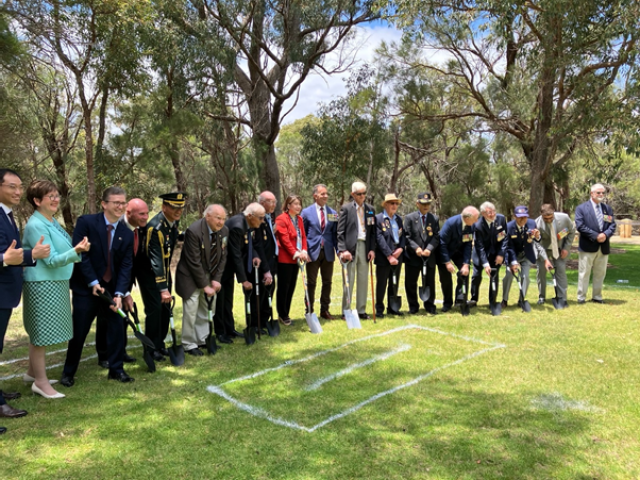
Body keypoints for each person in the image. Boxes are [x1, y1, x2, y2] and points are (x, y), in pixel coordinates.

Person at [21, 180, 89, 399]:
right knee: (40, 333)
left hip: (55, 282)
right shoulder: (36, 225)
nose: (56, 199)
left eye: (57, 195)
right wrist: (76, 251)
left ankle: (33, 373)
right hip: (42, 284)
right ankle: (40, 383)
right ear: (37, 201)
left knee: (39, 332)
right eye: (50, 196)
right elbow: (49, 260)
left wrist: (75, 250)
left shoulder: (50, 220)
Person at [61, 186, 134, 387]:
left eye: (123, 203)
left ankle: (116, 370)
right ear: (104, 204)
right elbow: (81, 256)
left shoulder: (127, 234)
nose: (120, 206)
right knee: (79, 331)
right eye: (116, 202)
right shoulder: (86, 223)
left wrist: (119, 293)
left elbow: (126, 265)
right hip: (86, 288)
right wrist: (93, 282)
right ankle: (68, 372)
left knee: (117, 327)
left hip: (111, 290)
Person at [0, 169, 50, 433]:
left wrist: (27, 255)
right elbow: (6, 256)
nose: (18, 192)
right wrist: (32, 254)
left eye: (20, 187)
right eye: (12, 186)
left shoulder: (6, 215)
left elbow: (11, 254)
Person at [96, 198, 149, 367]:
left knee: (122, 317)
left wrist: (126, 291)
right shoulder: (116, 227)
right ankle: (104, 355)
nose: (146, 217)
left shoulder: (138, 229)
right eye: (141, 214)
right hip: (108, 281)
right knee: (106, 318)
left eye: (147, 213)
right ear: (128, 213)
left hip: (124, 281)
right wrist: (123, 293)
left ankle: (120, 351)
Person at [176, 204, 228, 355]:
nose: (221, 222)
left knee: (207, 308)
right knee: (192, 308)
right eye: (218, 218)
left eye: (224, 219)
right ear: (207, 217)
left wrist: (217, 279)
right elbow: (194, 262)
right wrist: (205, 286)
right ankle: (189, 344)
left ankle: (202, 339)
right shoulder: (194, 231)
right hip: (190, 275)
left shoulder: (224, 231)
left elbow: (223, 257)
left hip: (210, 274)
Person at [141, 192, 185, 361]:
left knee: (165, 310)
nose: (178, 211)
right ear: (164, 207)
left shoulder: (172, 223)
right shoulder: (155, 228)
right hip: (152, 275)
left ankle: (160, 344)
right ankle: (151, 348)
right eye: (174, 207)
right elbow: (156, 260)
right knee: (155, 310)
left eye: (180, 207)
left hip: (165, 273)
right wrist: (162, 287)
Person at [216, 203, 264, 343]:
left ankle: (229, 329)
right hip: (221, 268)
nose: (262, 221)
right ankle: (220, 332)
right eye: (260, 218)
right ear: (250, 216)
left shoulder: (246, 224)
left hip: (229, 268)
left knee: (228, 300)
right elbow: (235, 254)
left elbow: (248, 244)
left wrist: (254, 254)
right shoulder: (238, 226)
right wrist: (244, 280)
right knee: (220, 300)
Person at [337, 182, 376, 320]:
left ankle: (361, 310)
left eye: (364, 193)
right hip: (350, 249)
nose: (362, 196)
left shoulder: (370, 209)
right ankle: (346, 311)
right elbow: (340, 232)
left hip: (365, 247)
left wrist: (372, 249)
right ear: (353, 194)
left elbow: (372, 232)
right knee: (349, 280)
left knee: (363, 280)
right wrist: (342, 250)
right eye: (359, 194)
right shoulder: (346, 209)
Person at [301, 184, 338, 320]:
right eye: (322, 194)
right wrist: (304, 250)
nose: (326, 196)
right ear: (315, 195)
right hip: (312, 253)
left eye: (326, 194)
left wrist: (339, 252)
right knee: (311, 282)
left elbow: (335, 234)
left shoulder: (333, 213)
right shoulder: (306, 212)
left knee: (327, 282)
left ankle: (325, 310)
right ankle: (309, 310)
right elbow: (302, 233)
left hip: (328, 252)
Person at [575, 184, 616, 304]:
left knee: (600, 273)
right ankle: (581, 297)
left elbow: (612, 225)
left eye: (603, 193)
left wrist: (605, 235)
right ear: (591, 193)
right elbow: (580, 226)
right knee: (584, 273)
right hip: (588, 246)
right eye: (598, 193)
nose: (601, 195)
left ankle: (597, 296)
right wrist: (595, 236)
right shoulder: (581, 208)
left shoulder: (607, 209)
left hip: (603, 246)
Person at [403, 192, 440, 315]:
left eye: (428, 204)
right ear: (417, 203)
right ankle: (413, 306)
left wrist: (429, 248)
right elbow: (406, 236)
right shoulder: (409, 218)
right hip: (413, 257)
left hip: (429, 257)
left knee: (430, 282)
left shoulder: (434, 219)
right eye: (423, 204)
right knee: (411, 282)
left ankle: (429, 305)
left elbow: (436, 236)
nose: (426, 206)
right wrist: (416, 248)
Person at [275, 195, 309, 325]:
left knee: (291, 287)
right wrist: (295, 253)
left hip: (297, 258)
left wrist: (304, 251)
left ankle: (286, 313)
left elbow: (303, 237)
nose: (298, 207)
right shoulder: (281, 219)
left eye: (299, 204)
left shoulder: (299, 219)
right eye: (295, 204)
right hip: (285, 258)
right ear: (288, 206)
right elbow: (284, 240)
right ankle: (282, 314)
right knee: (284, 287)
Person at [438, 206, 479, 312]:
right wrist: (447, 262)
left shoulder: (471, 226)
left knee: (464, 273)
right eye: (476, 218)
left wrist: (466, 263)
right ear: (468, 217)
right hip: (444, 252)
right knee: (445, 278)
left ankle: (460, 300)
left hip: (458, 252)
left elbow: (468, 244)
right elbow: (442, 243)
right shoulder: (451, 223)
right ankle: (447, 303)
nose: (477, 221)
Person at [501, 206, 542, 308]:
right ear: (515, 216)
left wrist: (537, 237)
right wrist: (514, 262)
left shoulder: (532, 224)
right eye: (520, 217)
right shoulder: (509, 227)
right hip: (512, 255)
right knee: (509, 275)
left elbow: (536, 239)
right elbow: (509, 247)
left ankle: (521, 299)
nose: (523, 219)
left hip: (526, 255)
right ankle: (504, 300)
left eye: (525, 217)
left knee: (526, 277)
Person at [535, 204, 575, 306]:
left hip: (559, 249)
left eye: (550, 218)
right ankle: (541, 296)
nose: (548, 220)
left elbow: (571, 231)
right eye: (545, 218)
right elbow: (538, 243)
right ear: (541, 215)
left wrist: (566, 248)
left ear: (554, 213)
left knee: (560, 271)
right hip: (543, 249)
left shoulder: (564, 218)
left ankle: (562, 297)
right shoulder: (537, 224)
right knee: (541, 272)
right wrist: (545, 259)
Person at [470, 202, 508, 308]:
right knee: (476, 276)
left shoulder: (501, 219)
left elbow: (504, 238)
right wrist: (485, 264)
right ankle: (473, 299)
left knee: (494, 277)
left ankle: (492, 302)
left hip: (496, 253)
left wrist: (501, 254)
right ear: (483, 213)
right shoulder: (477, 225)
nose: (492, 214)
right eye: (489, 213)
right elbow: (479, 246)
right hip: (480, 254)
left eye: (494, 211)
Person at [374, 194, 405, 317]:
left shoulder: (398, 219)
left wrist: (401, 249)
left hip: (398, 256)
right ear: (385, 204)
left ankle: (392, 308)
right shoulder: (378, 219)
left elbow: (403, 236)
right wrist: (389, 255)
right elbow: (379, 238)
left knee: (394, 282)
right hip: (383, 257)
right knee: (382, 284)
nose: (394, 206)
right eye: (392, 203)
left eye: (396, 203)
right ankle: (380, 309)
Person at [255, 192, 276, 330]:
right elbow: (259, 246)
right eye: (271, 201)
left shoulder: (268, 218)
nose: (274, 204)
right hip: (263, 264)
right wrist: (266, 269)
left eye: (275, 201)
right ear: (262, 203)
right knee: (261, 294)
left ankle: (265, 319)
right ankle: (257, 323)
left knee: (270, 289)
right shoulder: (257, 218)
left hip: (272, 261)